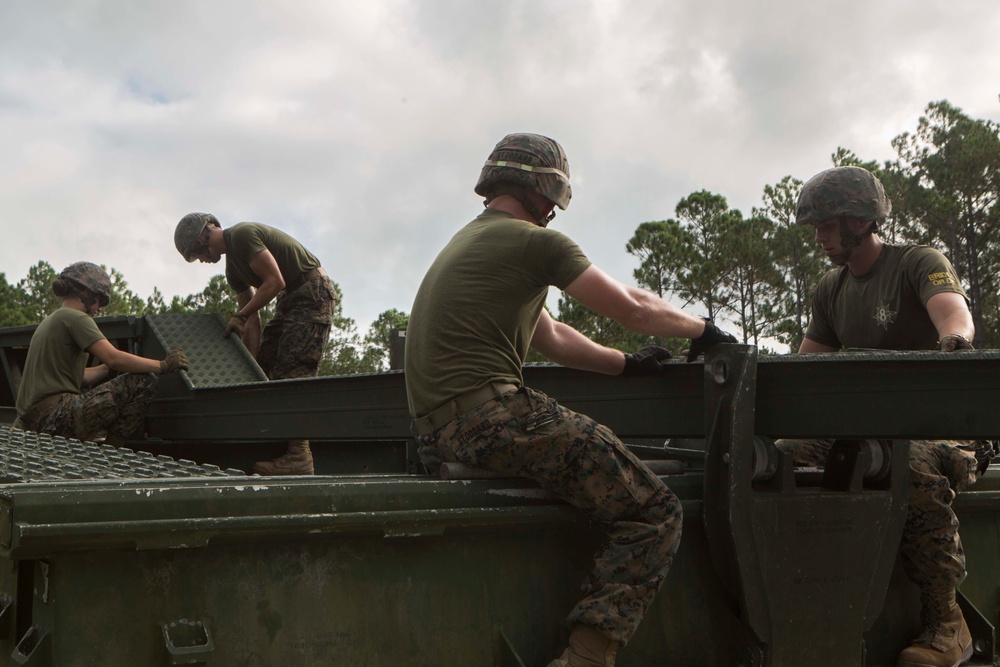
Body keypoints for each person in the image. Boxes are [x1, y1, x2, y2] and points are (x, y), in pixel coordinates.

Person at [404, 133, 737, 667]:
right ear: (543, 188)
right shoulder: (536, 244)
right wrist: (704, 330)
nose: (555, 213)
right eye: (555, 199)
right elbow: (636, 309)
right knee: (655, 508)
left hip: (445, 426)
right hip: (493, 415)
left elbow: (554, 338)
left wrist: (625, 364)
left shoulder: (474, 243)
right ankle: (585, 656)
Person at [780, 166, 981, 667]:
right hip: (867, 433)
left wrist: (955, 342)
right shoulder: (830, 290)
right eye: (816, 227)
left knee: (906, 463)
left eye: (827, 225)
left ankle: (947, 622)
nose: (820, 237)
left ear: (860, 219)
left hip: (941, 434)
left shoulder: (916, 263)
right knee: (778, 458)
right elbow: (808, 368)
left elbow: (953, 313)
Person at [174, 212, 337, 475]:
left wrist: (240, 315)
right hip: (290, 299)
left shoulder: (242, 234)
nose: (202, 261)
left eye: (197, 253)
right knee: (265, 366)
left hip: (311, 291)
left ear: (204, 236)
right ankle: (278, 444)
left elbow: (274, 282)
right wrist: (248, 364)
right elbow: (251, 322)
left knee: (293, 370)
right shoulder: (232, 271)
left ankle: (299, 456)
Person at [14, 262, 188, 443]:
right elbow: (113, 358)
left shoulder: (51, 320)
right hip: (57, 417)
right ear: (86, 292)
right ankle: (111, 448)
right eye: (100, 299)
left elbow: (79, 376)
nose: (99, 308)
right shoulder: (76, 317)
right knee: (144, 381)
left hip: (34, 422)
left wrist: (105, 370)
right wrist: (163, 365)